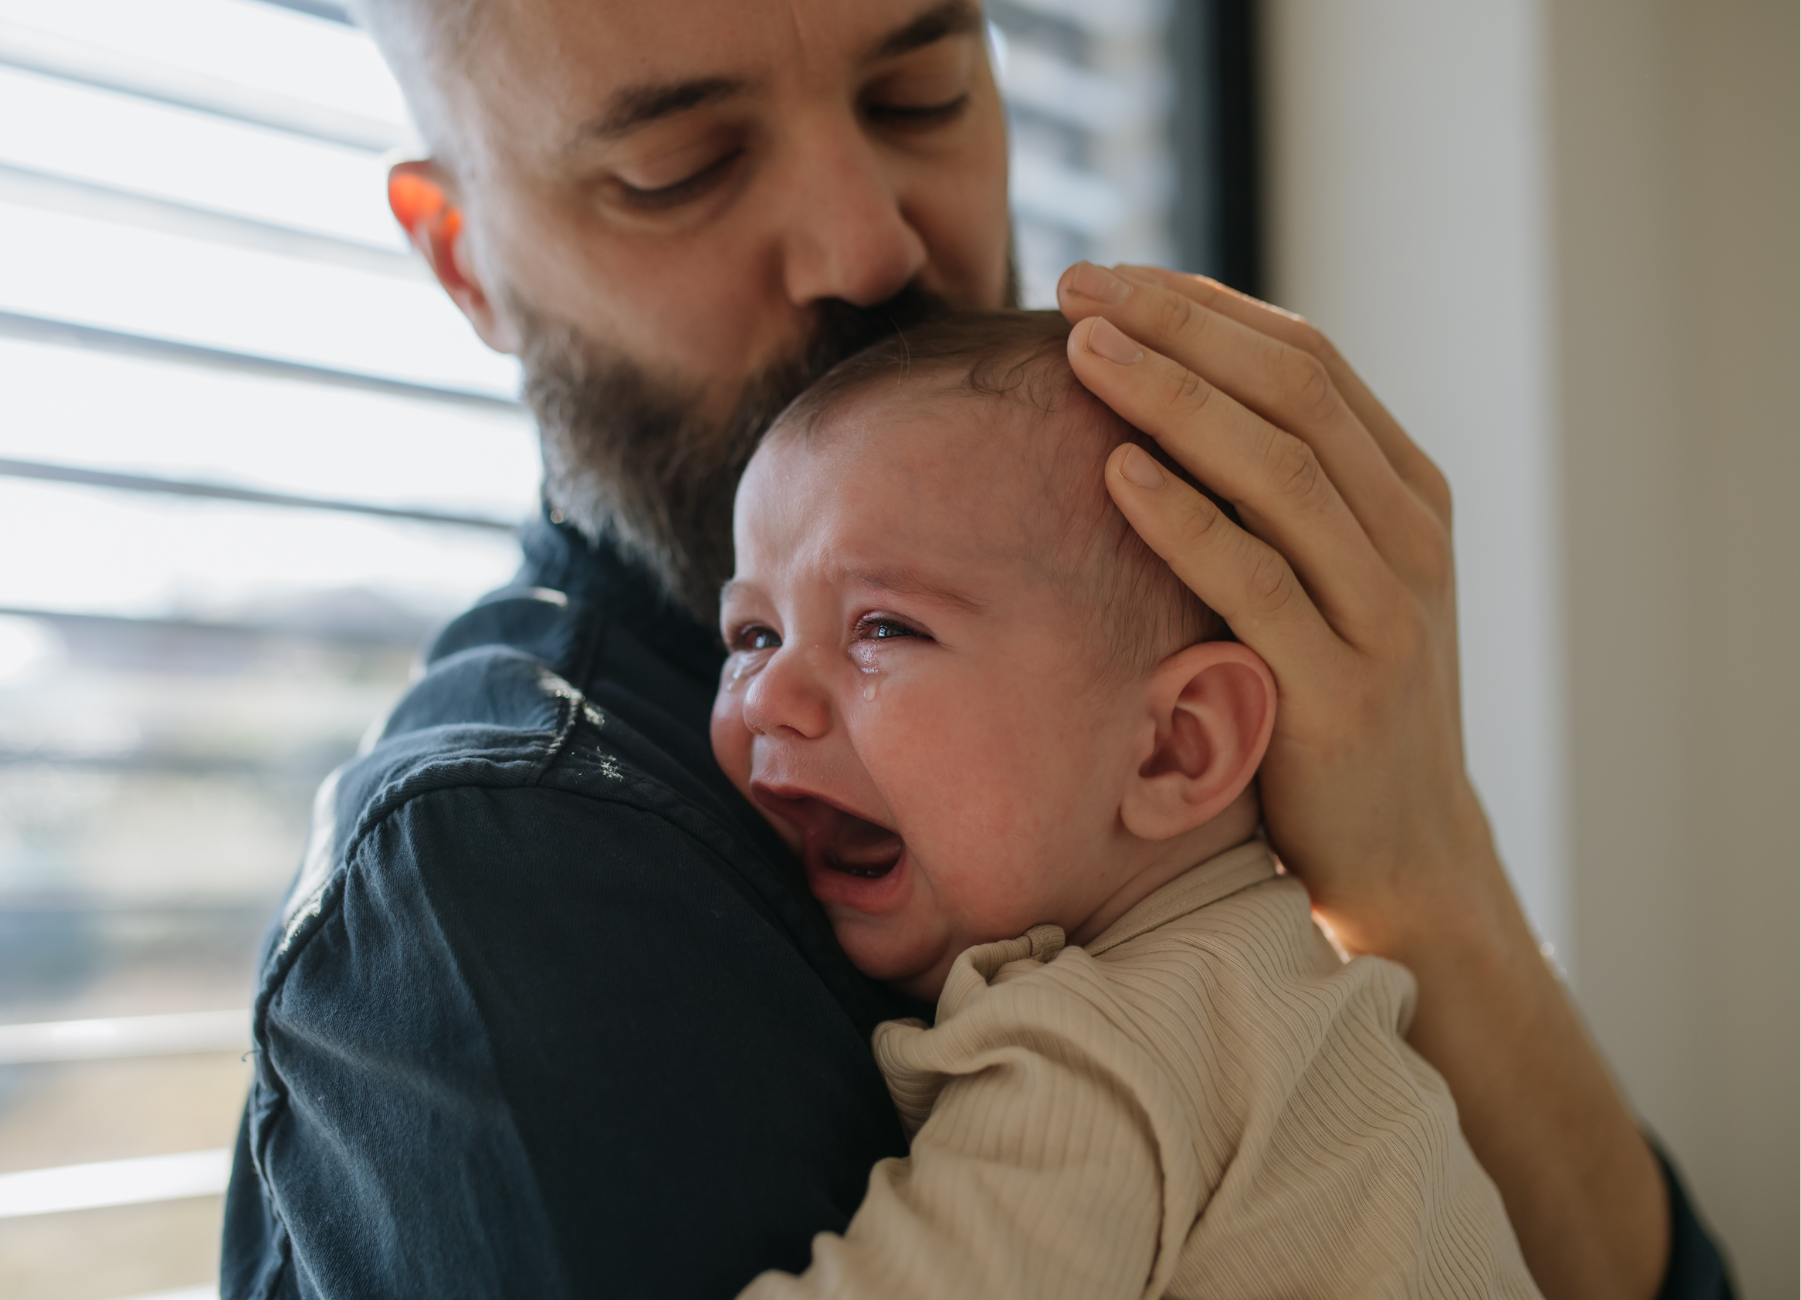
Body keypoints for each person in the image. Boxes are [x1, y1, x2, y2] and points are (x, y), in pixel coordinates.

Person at [221, 3, 1729, 1299]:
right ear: (465, 261)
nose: (871, 245)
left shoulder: (1151, 795)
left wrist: (1421, 872)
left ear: (1184, 741)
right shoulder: (517, 864)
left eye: (922, 93)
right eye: (679, 168)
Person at [717, 310, 1540, 1298]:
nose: (765, 693)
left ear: (1174, 747)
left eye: (883, 627)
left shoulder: (1099, 1047)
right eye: (753, 633)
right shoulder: (1275, 989)